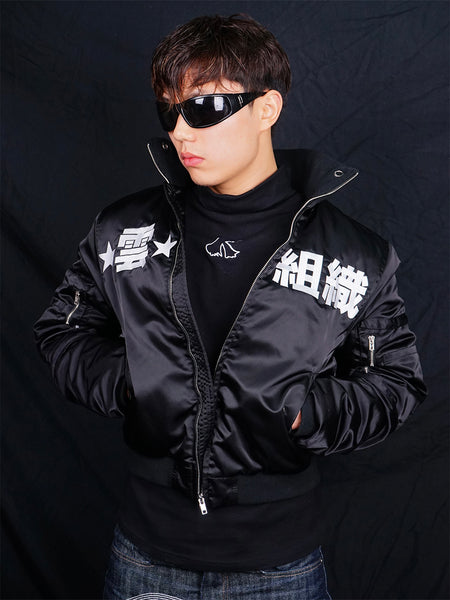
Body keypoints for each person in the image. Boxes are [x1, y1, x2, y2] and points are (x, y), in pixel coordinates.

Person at [34, 14, 427, 600]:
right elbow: (63, 331)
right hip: (147, 560)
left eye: (205, 107)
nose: (181, 132)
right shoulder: (124, 230)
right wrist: (132, 384)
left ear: (267, 108)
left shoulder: (352, 253)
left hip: (281, 569)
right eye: (170, 111)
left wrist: (304, 413)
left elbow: (395, 381)